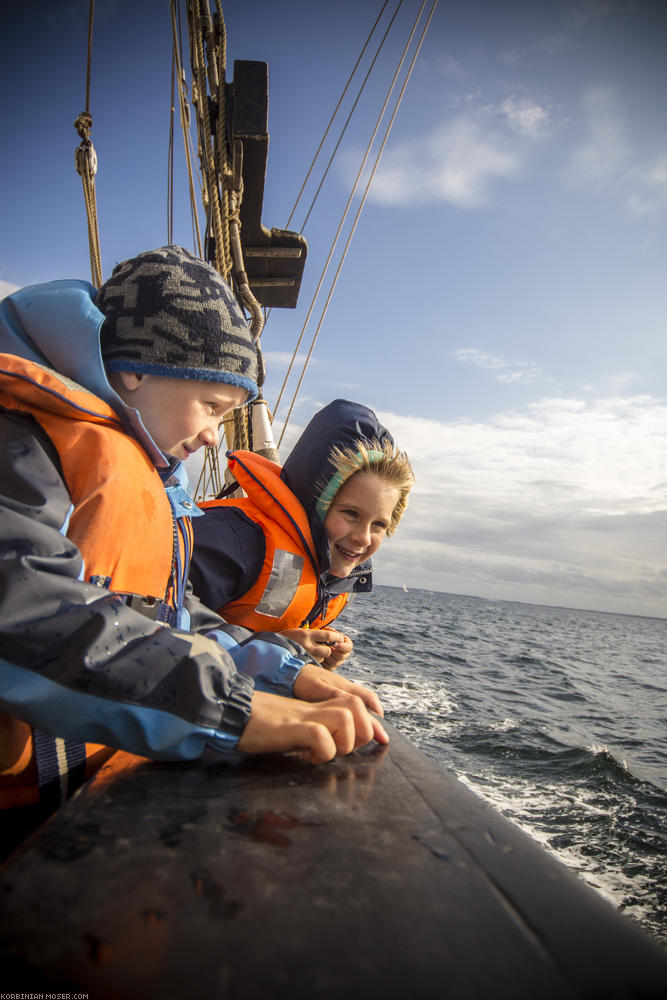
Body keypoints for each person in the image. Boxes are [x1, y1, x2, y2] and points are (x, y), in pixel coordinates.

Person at [0, 246, 388, 826]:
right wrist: (232, 709)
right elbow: (22, 613)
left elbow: (166, 614)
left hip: (74, 795)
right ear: (135, 370)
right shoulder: (18, 440)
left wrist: (274, 667)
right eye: (211, 406)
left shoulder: (149, 474)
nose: (213, 436)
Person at [189, 399, 414, 669]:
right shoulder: (233, 539)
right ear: (314, 503)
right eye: (351, 514)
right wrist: (271, 650)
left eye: (379, 524)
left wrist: (313, 661)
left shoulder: (333, 569)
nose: (364, 538)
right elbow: (155, 627)